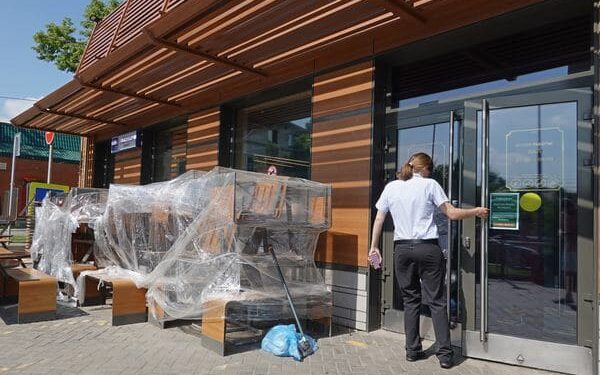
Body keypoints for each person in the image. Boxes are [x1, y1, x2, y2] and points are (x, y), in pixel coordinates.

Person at [369, 152, 488, 369]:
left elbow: (379, 218)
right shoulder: (430, 184)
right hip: (427, 248)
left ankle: (412, 351)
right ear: (424, 168)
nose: (430, 172)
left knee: (410, 300)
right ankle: (445, 355)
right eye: (430, 169)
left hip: (402, 249)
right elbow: (451, 214)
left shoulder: (392, 187)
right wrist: (476, 211)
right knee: (437, 301)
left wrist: (374, 246)